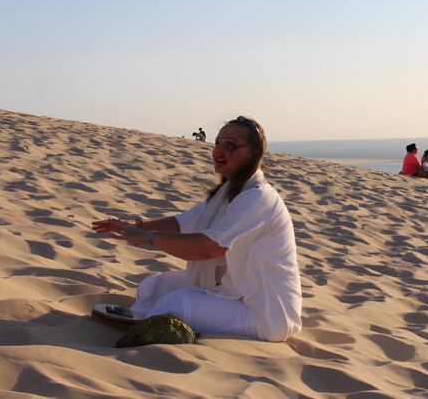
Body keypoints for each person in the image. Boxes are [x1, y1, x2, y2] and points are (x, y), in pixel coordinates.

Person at [92, 116, 302, 342]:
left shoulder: (258, 197)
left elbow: (208, 248)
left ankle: (151, 329)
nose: (218, 152)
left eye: (230, 145)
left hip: (264, 311)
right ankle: (150, 319)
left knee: (176, 305)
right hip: (232, 288)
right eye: (217, 144)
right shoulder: (228, 192)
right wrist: (137, 226)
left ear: (254, 153)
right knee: (151, 287)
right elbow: (182, 223)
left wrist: (149, 237)